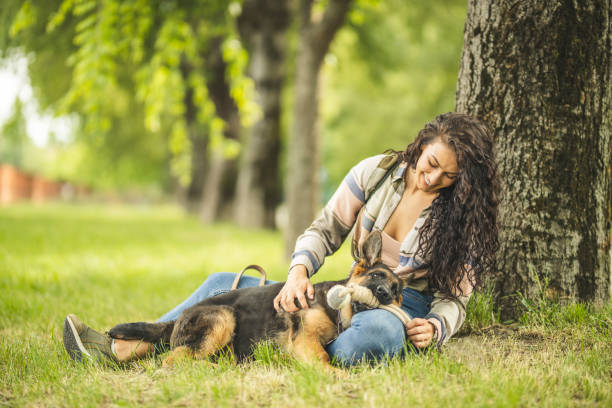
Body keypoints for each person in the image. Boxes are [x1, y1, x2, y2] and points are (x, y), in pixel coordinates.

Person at [63, 112, 499, 366]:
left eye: (449, 176)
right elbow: (325, 229)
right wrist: (296, 274)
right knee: (222, 284)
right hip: (347, 294)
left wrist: (437, 327)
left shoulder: (460, 217)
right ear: (422, 144)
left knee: (376, 337)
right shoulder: (377, 171)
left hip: (402, 307)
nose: (434, 177)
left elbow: (455, 299)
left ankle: (279, 343)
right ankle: (131, 343)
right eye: (432, 162)